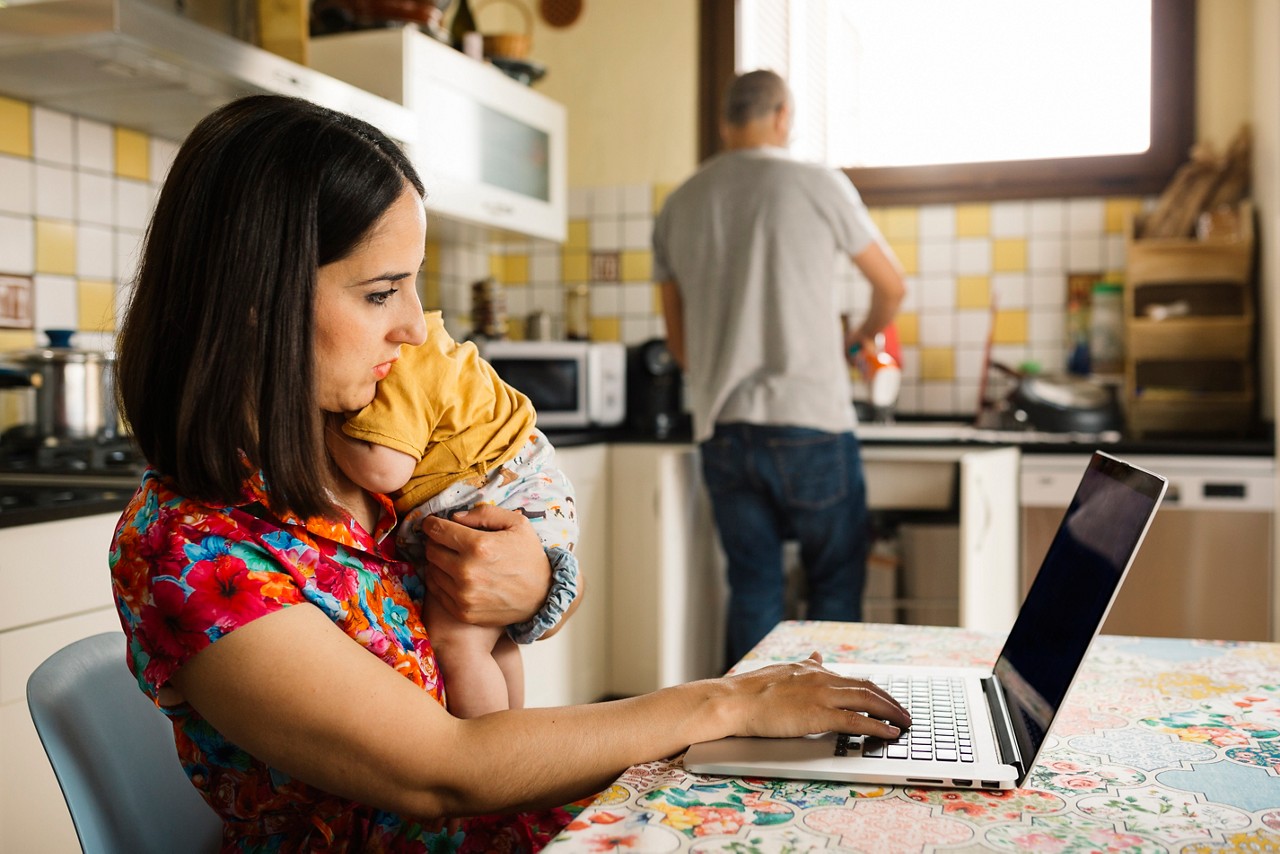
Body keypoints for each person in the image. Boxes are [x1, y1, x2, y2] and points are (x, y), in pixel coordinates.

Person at [110, 93, 911, 852]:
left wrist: (534, 581)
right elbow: (447, 770)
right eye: (382, 291)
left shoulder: (364, 454)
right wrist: (724, 700)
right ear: (261, 298)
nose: (414, 329)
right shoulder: (192, 552)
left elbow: (521, 580)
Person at [653, 70, 908, 668]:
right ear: (783, 115)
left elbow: (679, 342)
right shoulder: (817, 183)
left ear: (724, 122)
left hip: (723, 426)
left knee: (754, 588)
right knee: (835, 588)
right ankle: (828, 737)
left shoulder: (680, 203)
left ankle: (747, 740)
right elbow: (892, 287)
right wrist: (857, 339)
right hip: (811, 419)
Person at [327, 313, 578, 718]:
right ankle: (513, 737)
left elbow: (384, 469)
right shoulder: (437, 347)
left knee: (455, 644)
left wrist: (325, 423)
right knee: (492, 641)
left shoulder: (403, 359)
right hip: (528, 492)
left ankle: (492, 760)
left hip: (497, 498)